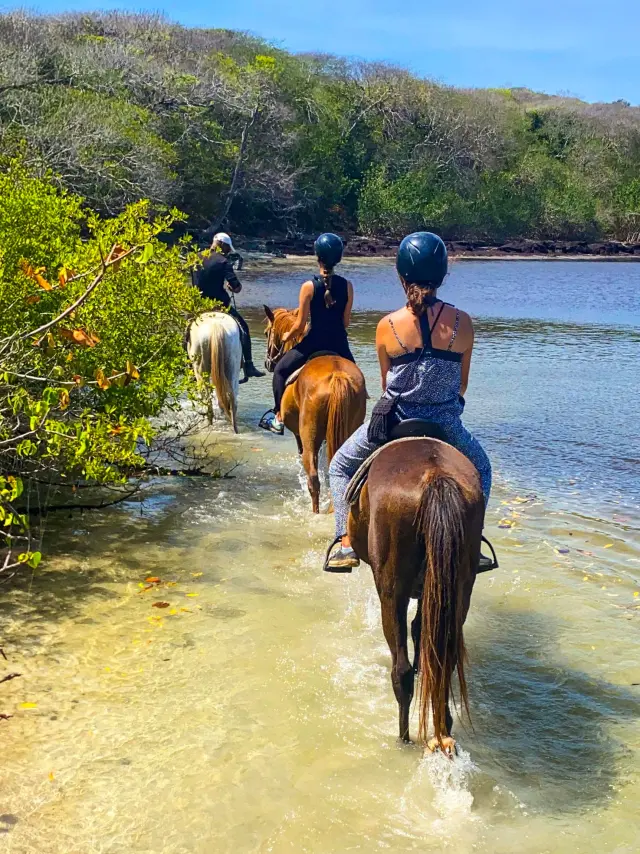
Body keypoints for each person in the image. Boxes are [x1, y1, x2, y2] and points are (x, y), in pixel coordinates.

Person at [326, 231, 493, 571]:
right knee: (483, 470)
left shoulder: (387, 325)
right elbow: (462, 385)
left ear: (401, 275)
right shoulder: (464, 324)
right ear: (443, 274)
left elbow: (387, 383)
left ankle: (344, 542)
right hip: (445, 424)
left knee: (339, 466)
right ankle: (473, 544)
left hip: (395, 422)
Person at [259, 233, 355, 435]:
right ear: (338, 259)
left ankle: (278, 417)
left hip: (313, 343)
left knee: (280, 372)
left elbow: (300, 325)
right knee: (356, 381)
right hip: (339, 344)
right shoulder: (348, 286)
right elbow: (345, 323)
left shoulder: (309, 287)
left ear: (317, 256)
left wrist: (286, 337)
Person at [193, 232, 264, 382]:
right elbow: (236, 287)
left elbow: (196, 282)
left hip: (198, 307)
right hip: (219, 306)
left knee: (186, 330)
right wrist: (231, 287)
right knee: (244, 328)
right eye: (227, 248)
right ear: (222, 245)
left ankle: (187, 364)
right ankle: (249, 365)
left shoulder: (195, 258)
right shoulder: (223, 262)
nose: (227, 252)